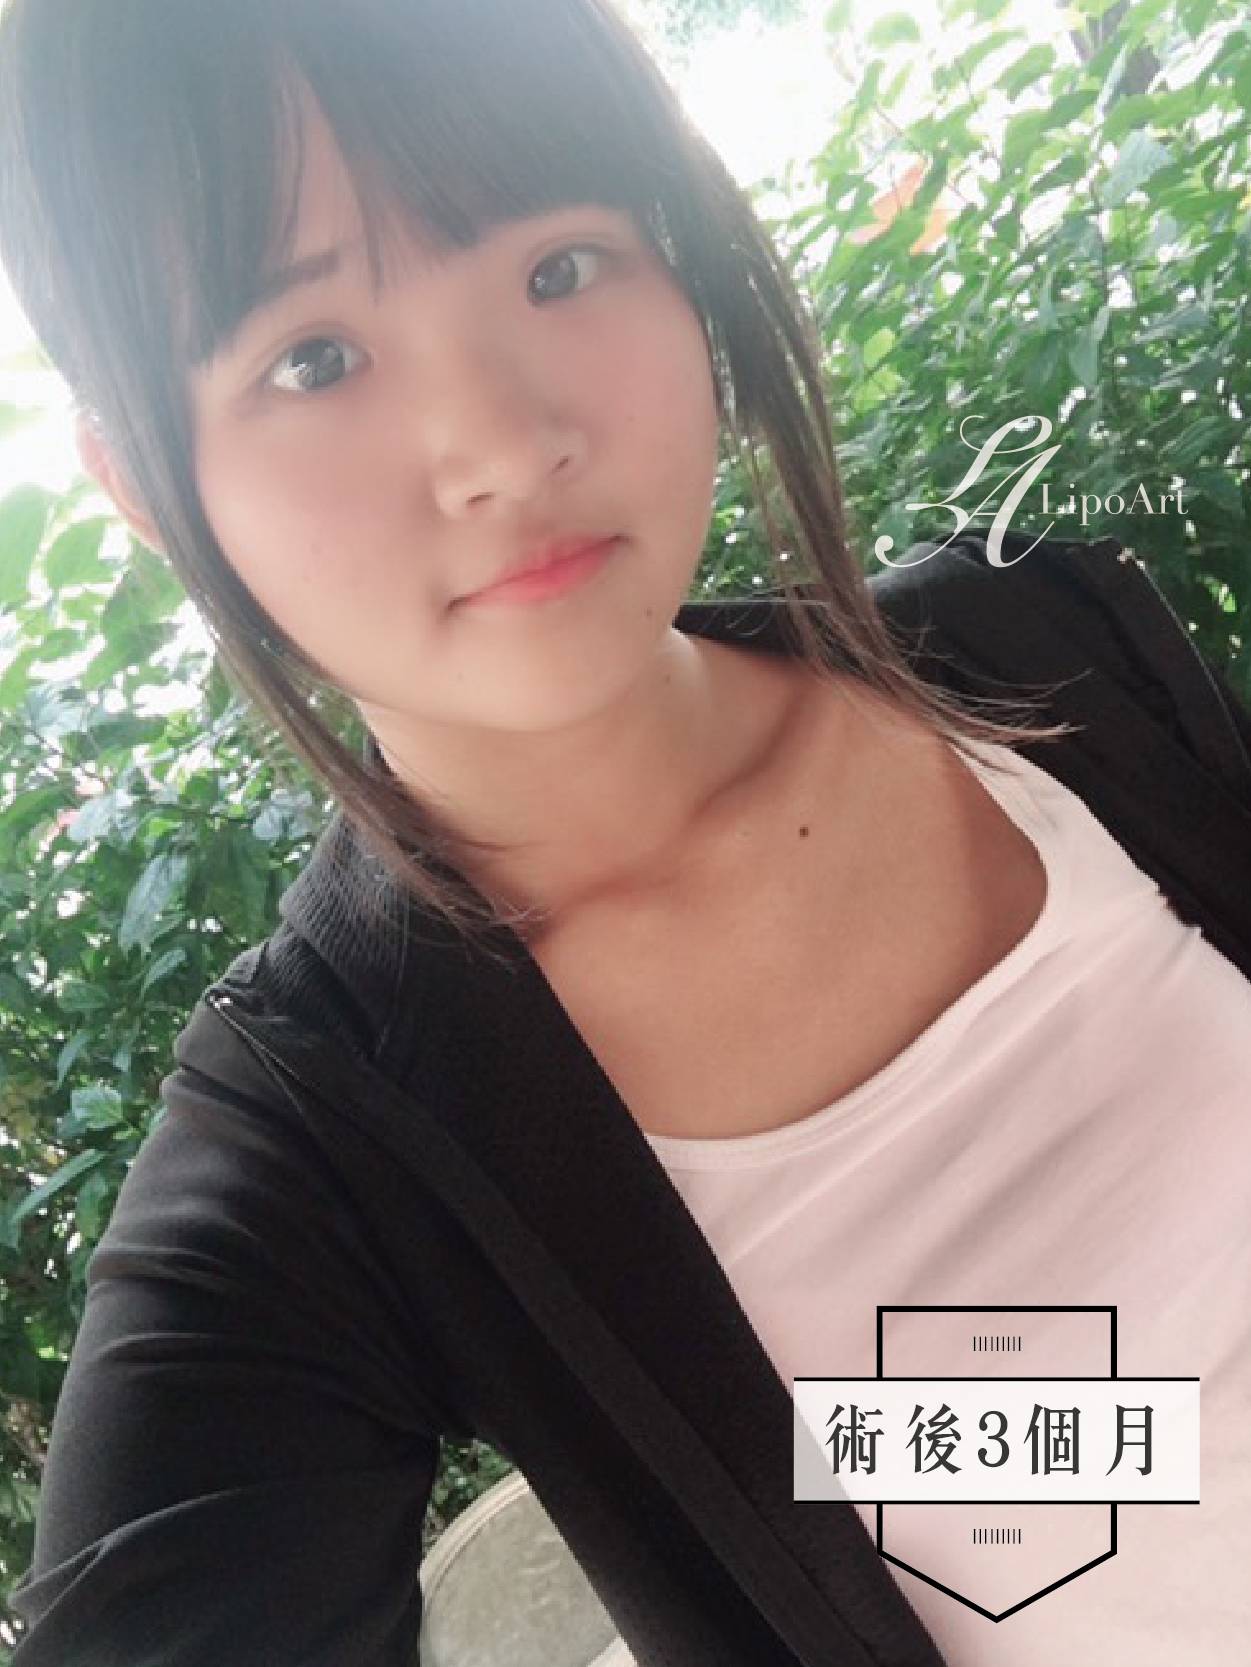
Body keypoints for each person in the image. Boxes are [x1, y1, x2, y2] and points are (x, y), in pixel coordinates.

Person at [1, 2, 1249, 1664]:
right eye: (312, 359)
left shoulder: (1045, 651)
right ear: (146, 488)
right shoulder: (322, 1152)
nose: (504, 444)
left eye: (561, 264)